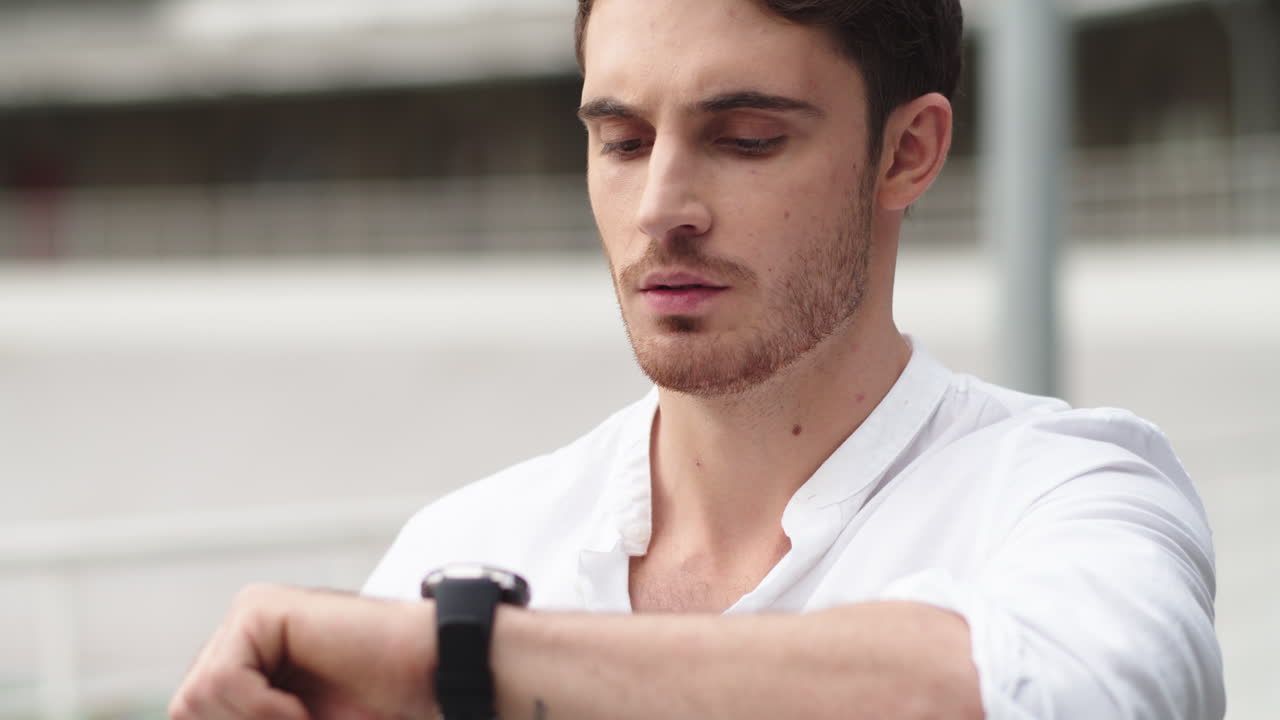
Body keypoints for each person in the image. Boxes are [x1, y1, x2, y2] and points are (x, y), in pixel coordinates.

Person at [169, 0, 1226, 718]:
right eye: (621, 141)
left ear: (906, 152)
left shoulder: (1073, 491)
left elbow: (1060, 693)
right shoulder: (461, 541)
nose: (660, 209)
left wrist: (456, 659)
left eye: (745, 137)